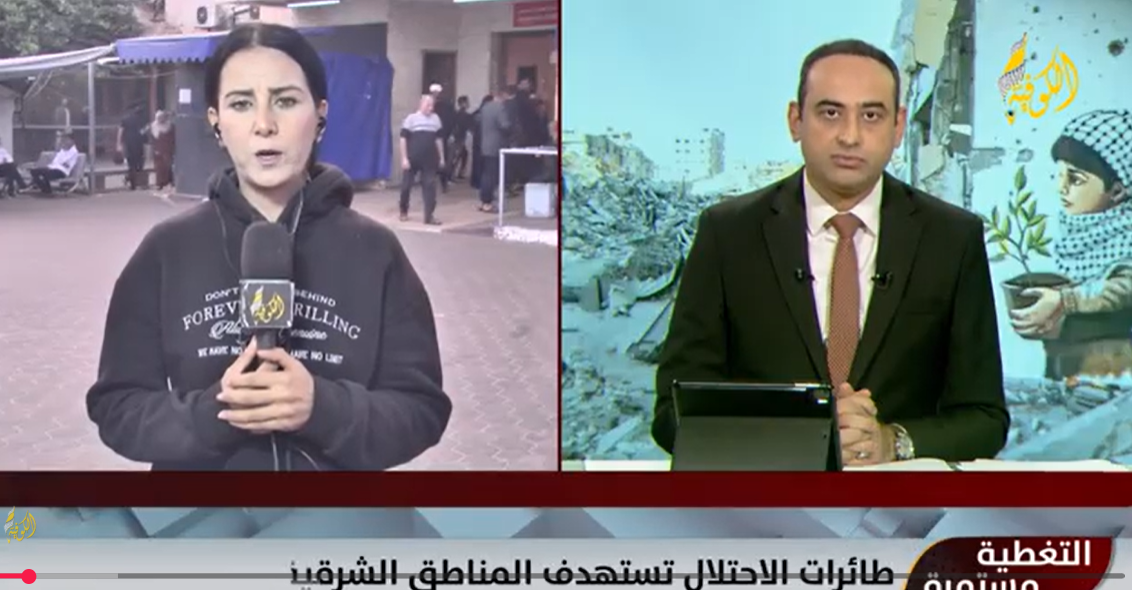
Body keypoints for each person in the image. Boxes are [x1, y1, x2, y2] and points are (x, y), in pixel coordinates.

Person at [86, 23, 452, 471]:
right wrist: (213, 414)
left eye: (286, 101)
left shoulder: (375, 251)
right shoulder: (166, 250)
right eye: (241, 104)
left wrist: (325, 409)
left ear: (320, 113)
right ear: (215, 120)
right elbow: (117, 407)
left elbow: (421, 410)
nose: (264, 125)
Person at [652, 39, 1009, 466]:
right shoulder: (728, 234)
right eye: (830, 112)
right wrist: (804, 436)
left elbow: (985, 419)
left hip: (901, 503)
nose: (850, 136)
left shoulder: (952, 238)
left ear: (898, 127)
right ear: (795, 120)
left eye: (871, 115)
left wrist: (891, 442)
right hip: (768, 499)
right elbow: (673, 414)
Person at [1009, 109, 1132, 380]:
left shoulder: (1127, 237)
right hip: (1070, 371)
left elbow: (1120, 290)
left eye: (1075, 179)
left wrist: (1063, 302)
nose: (1061, 188)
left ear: (1117, 191)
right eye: (1060, 175)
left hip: (1112, 377)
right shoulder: (1081, 234)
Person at [398, 94, 445, 225]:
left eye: (432, 106)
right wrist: (404, 158)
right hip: (412, 158)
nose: (431, 108)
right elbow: (403, 139)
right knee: (406, 186)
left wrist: (441, 157)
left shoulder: (436, 119)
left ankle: (429, 216)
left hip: (430, 160)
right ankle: (403, 210)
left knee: (430, 187)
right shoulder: (411, 119)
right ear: (421, 104)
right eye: (428, 105)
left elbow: (438, 140)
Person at [476, 87, 512, 214]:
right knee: (492, 175)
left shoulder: (485, 107)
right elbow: (504, 125)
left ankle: (484, 200)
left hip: (485, 144)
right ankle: (487, 202)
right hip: (496, 145)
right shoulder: (500, 108)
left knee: (486, 174)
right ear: (502, 96)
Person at [117, 101, 148, 190]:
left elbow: (120, 131)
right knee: (138, 164)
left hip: (130, 143)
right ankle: (131, 181)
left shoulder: (126, 120)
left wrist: (119, 143)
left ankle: (131, 181)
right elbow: (143, 132)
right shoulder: (141, 120)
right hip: (137, 144)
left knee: (132, 164)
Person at [150, 110, 176, 193]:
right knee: (159, 167)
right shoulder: (153, 126)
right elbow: (153, 139)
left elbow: (172, 138)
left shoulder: (170, 126)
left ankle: (168, 182)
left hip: (167, 149)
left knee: (168, 166)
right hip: (158, 149)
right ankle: (160, 183)